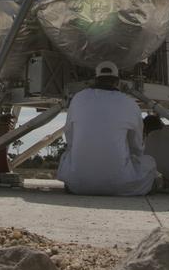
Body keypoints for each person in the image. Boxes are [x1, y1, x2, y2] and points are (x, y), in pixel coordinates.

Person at [57, 61, 157, 196]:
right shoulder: (130, 104)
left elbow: (70, 137)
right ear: (117, 82)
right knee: (149, 162)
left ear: (95, 80)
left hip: (78, 185)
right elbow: (137, 147)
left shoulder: (78, 99)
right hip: (120, 185)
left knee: (66, 156)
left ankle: (76, 182)